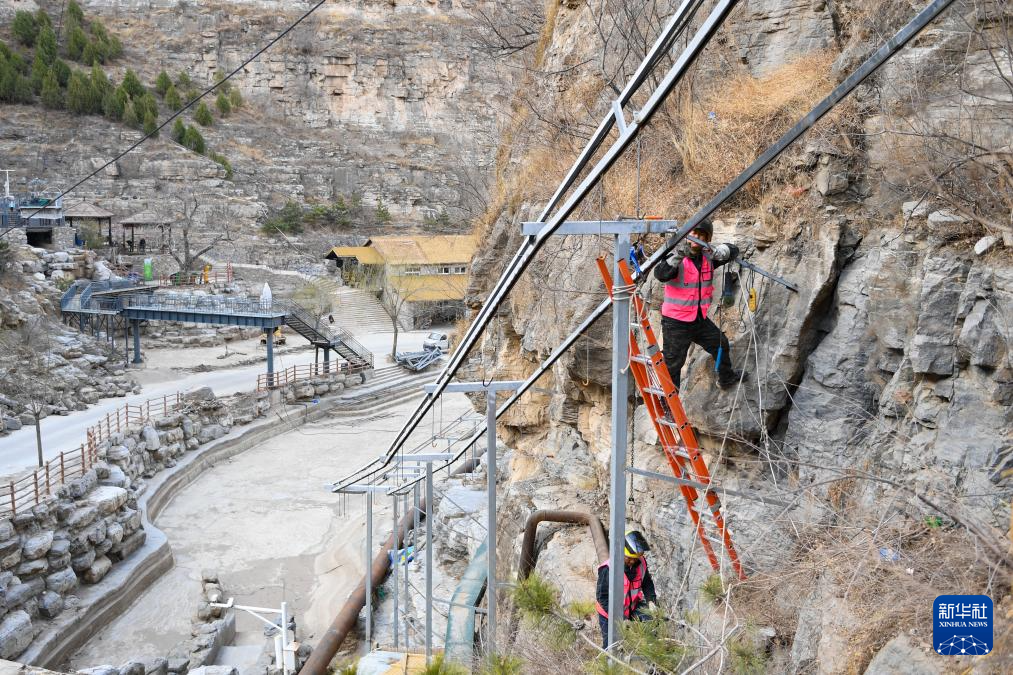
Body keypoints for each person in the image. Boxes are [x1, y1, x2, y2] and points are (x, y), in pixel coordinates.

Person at [652, 219, 746, 390]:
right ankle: (670, 407)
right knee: (673, 365)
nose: (696, 237)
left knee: (721, 344)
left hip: (698, 319)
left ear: (706, 239)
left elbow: (733, 250)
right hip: (675, 323)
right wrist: (680, 255)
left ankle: (726, 378)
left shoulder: (708, 258)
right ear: (687, 235)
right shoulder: (676, 257)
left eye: (701, 235)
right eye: (694, 233)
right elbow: (661, 274)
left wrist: (720, 251)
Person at [596, 530, 657, 649]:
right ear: (620, 553)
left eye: (636, 558)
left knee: (652, 623)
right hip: (609, 613)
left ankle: (650, 657)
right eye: (629, 558)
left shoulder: (641, 563)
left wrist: (651, 601)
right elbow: (602, 598)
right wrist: (620, 619)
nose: (633, 561)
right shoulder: (608, 569)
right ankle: (610, 663)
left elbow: (647, 584)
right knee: (611, 646)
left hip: (632, 607)